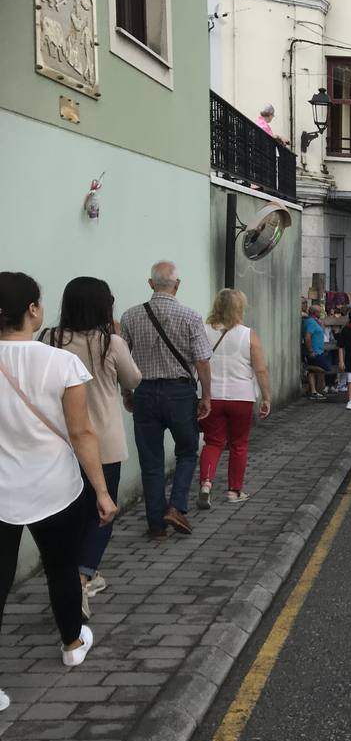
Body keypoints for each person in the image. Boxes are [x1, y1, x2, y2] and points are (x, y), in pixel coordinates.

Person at [1, 272, 118, 710]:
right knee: (62, 569)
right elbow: (82, 432)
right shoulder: (61, 363)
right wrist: (103, 493)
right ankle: (71, 644)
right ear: (33, 310)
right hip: (55, 485)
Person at [40, 277, 140, 606]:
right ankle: (82, 578)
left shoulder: (49, 339)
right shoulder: (109, 343)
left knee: (69, 513)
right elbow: (133, 379)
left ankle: (78, 576)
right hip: (104, 442)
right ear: (104, 306)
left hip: (61, 440)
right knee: (101, 512)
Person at [120, 262, 213, 539]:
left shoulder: (130, 316)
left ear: (151, 284)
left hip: (145, 393)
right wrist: (206, 395)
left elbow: (122, 360)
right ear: (177, 284)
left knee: (151, 460)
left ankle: (156, 525)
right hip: (180, 393)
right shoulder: (190, 317)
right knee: (186, 450)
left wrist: (127, 393)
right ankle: (177, 506)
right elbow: (202, 360)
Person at [197, 289, 271, 508]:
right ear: (240, 307)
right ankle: (234, 491)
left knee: (213, 442)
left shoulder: (203, 331)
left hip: (212, 395)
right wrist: (266, 397)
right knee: (239, 444)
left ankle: (206, 484)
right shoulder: (248, 334)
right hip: (241, 397)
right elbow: (260, 369)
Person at [302, 306, 331, 400]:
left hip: (318, 349)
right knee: (326, 368)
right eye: (319, 312)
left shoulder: (314, 321)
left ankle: (313, 391)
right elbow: (307, 336)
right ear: (315, 312)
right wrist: (310, 350)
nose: (320, 313)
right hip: (315, 351)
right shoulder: (310, 322)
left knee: (312, 372)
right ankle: (305, 367)